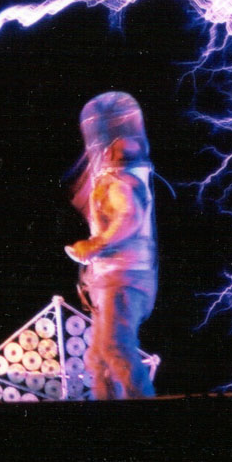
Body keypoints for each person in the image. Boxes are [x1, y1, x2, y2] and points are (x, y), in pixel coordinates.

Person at [65, 91, 157, 400]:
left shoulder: (120, 183)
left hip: (123, 277)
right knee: (99, 357)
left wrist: (95, 245)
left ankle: (140, 406)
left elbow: (127, 219)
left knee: (116, 348)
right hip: (118, 277)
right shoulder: (125, 178)